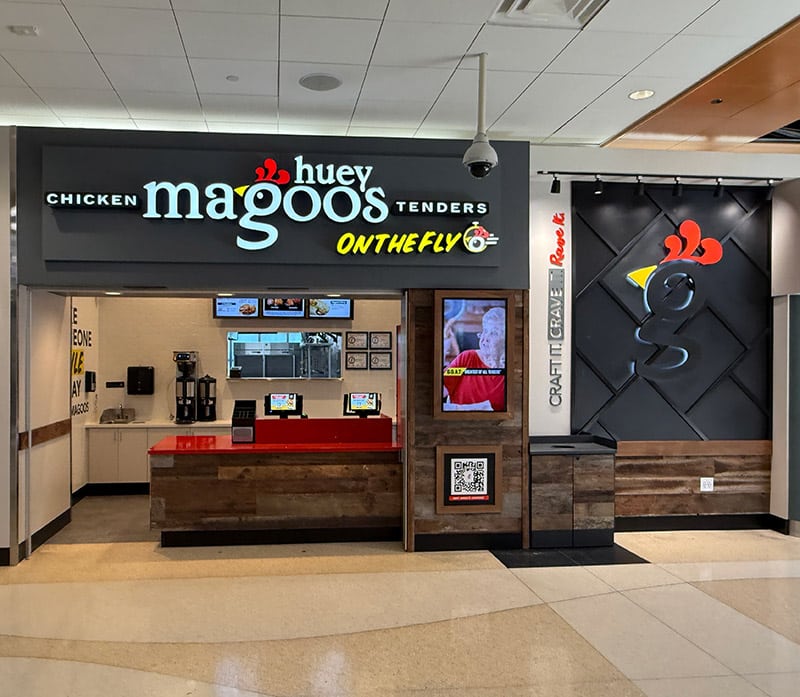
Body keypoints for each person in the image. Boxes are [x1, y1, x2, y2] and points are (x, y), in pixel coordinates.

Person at [442, 306, 506, 411]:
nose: (485, 338)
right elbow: (441, 389)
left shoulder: (509, 371)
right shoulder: (466, 358)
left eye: (494, 333)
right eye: (485, 331)